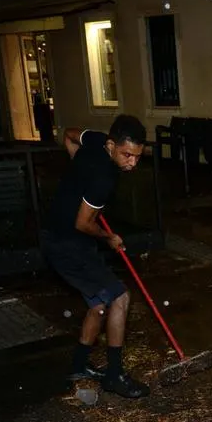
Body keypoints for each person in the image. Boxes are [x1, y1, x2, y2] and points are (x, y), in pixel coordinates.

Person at [40, 115, 150, 398]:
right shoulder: (103, 177)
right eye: (127, 155)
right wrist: (109, 237)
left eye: (138, 156)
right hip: (67, 242)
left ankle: (79, 365)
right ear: (112, 145)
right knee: (120, 297)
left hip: (57, 235)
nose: (132, 163)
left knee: (99, 303)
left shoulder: (97, 140)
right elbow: (83, 224)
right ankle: (114, 376)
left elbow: (69, 133)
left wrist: (78, 170)